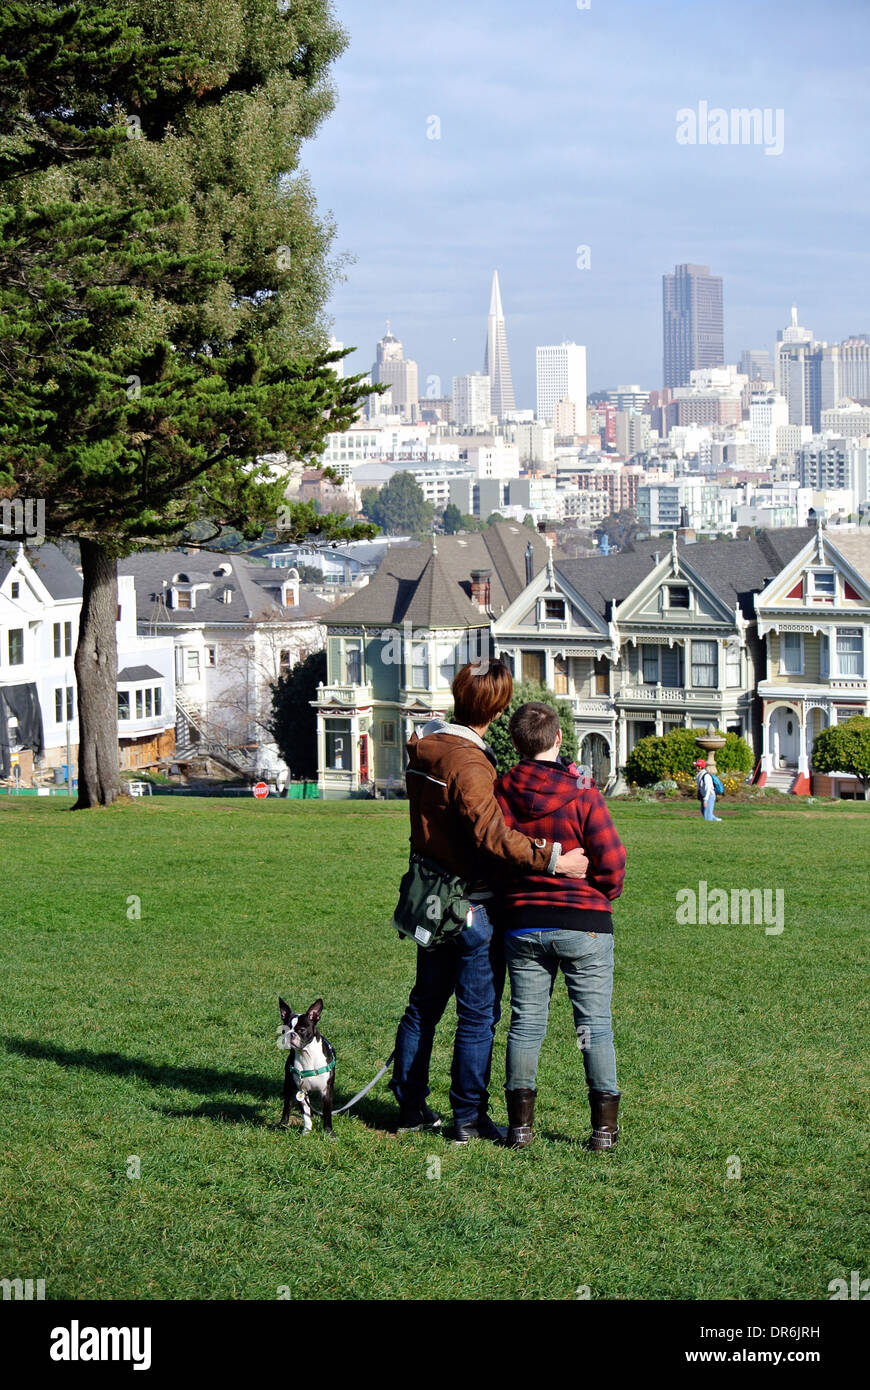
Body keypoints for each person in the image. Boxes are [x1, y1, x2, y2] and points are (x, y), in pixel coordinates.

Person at [389, 660, 589, 1144]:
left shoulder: (426, 749)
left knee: (424, 1005)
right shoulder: (470, 762)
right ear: (498, 710)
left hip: (430, 898)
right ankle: (467, 1119)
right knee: (477, 1015)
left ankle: (409, 1104)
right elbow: (491, 836)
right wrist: (553, 860)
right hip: (470, 905)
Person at [493, 702, 626, 1150]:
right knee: (593, 1025)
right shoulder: (584, 791)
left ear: (515, 743)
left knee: (526, 1024)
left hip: (524, 921)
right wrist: (600, 893)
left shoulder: (501, 792)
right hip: (582, 921)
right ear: (557, 739)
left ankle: (520, 1128)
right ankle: (604, 1130)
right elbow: (611, 860)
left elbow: (494, 851)